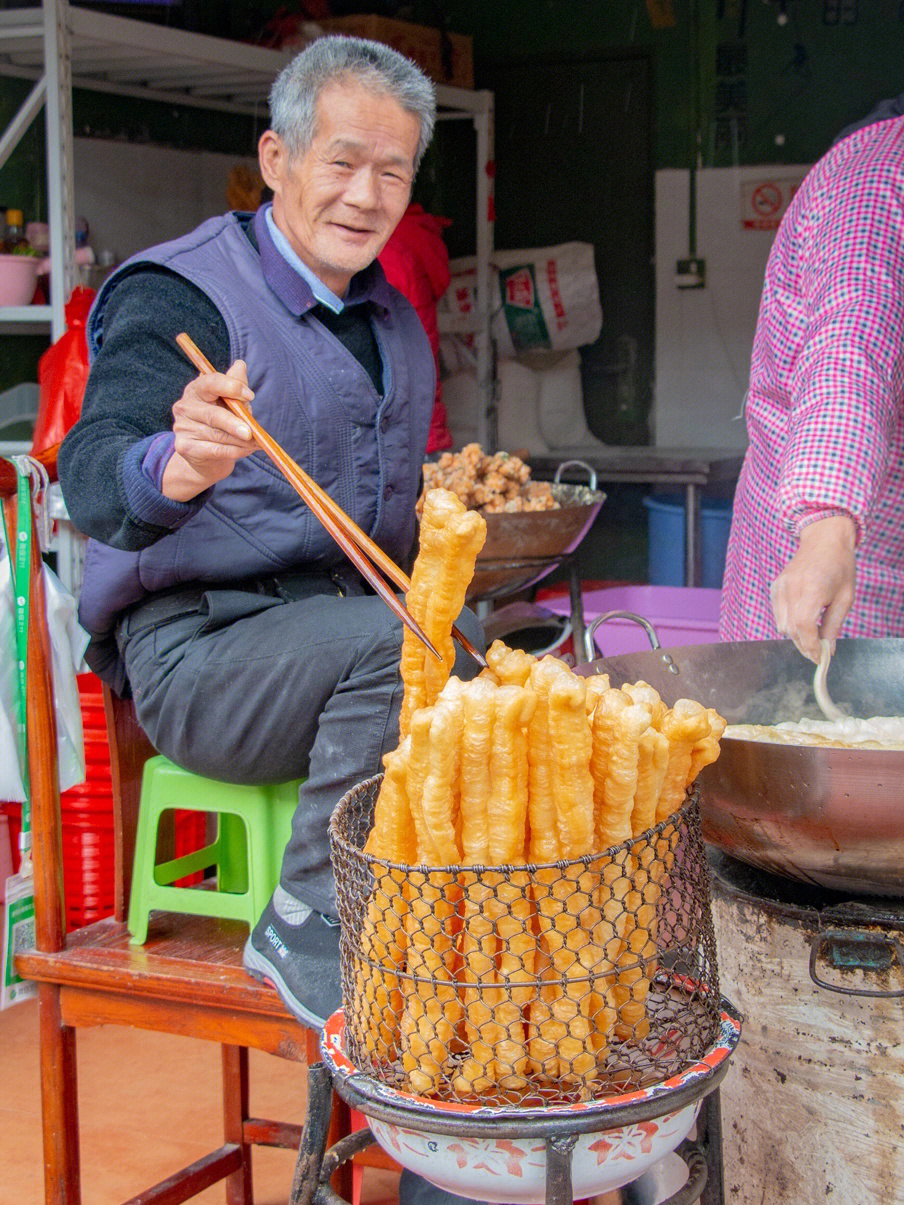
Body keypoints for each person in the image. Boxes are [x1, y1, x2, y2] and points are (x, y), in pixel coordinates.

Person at [58, 37, 484, 1042]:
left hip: (333, 640)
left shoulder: (391, 319)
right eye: (341, 160)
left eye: (393, 170)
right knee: (406, 650)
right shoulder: (182, 294)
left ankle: (445, 1135)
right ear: (278, 159)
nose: (366, 194)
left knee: (479, 658)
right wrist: (175, 461)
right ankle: (309, 916)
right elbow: (93, 469)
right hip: (200, 657)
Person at [719, 111, 904, 662]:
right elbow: (851, 350)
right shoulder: (883, 178)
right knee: (816, 728)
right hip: (846, 565)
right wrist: (828, 526)